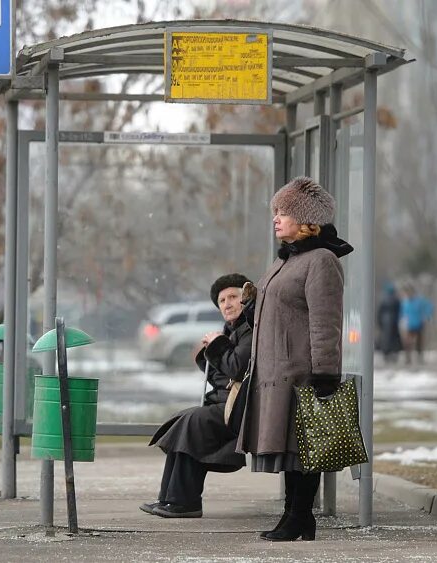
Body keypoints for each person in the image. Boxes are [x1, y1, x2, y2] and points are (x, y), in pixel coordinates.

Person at [235, 177, 353, 542]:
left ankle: (299, 516)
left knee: (305, 448)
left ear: (307, 220)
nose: (276, 219)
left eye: (283, 212)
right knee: (291, 448)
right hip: (276, 370)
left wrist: (325, 373)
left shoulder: (321, 261)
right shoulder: (288, 258)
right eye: (275, 212)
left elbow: (325, 321)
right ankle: (295, 516)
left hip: (302, 371)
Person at [142, 273, 253, 518]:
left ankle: (185, 502)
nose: (227, 303)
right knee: (187, 420)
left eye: (233, 297)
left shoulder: (249, 330)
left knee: (193, 422)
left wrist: (217, 345)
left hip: (240, 408)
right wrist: (208, 350)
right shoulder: (231, 330)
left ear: (246, 300)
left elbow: (237, 368)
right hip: (225, 404)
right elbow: (221, 373)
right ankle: (170, 499)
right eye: (222, 300)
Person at [400, 285, 433, 364]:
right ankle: (408, 358)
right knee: (407, 342)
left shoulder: (420, 301)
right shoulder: (405, 302)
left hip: (419, 324)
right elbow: (402, 313)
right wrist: (402, 320)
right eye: (406, 293)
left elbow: (430, 306)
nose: (408, 294)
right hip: (409, 325)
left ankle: (420, 358)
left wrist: (427, 316)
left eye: (409, 293)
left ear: (413, 293)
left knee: (419, 342)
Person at [377, 283, 403, 364]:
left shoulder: (384, 300)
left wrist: (380, 323)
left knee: (386, 339)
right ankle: (393, 354)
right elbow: (399, 311)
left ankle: (386, 354)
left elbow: (379, 313)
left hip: (385, 323)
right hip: (393, 323)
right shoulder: (396, 300)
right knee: (393, 339)